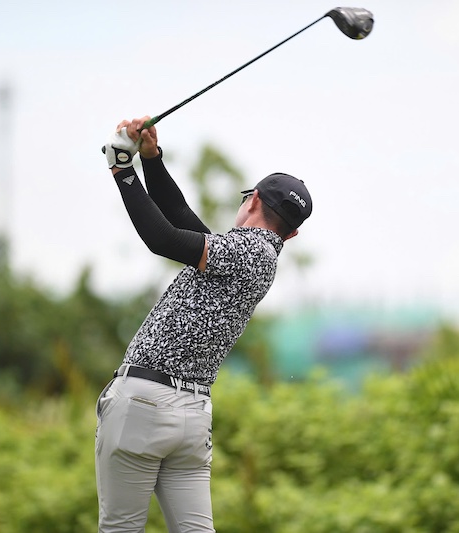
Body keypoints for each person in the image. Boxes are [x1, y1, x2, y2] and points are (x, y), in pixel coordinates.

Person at [95, 116, 313, 533]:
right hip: (190, 416)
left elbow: (162, 238)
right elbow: (179, 219)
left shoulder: (243, 251)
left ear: (251, 202)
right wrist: (152, 161)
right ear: (293, 234)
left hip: (145, 404)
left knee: (120, 528)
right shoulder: (255, 255)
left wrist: (122, 169)